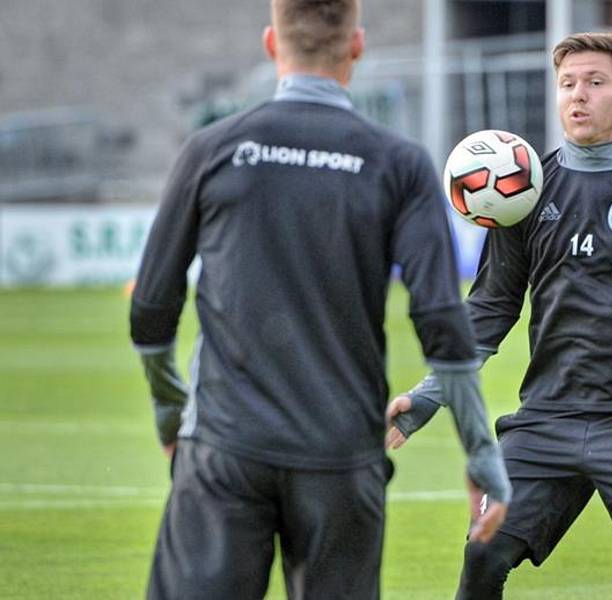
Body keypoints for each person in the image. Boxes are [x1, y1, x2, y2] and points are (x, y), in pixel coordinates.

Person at [129, 1, 511, 598]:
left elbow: (152, 304)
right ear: (356, 45)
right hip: (341, 456)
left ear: (270, 45)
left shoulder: (212, 149)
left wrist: (168, 412)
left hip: (226, 449)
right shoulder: (399, 163)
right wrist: (480, 453)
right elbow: (440, 318)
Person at [386, 32, 612, 600]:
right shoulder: (523, 191)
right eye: (567, 84)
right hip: (547, 420)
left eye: (594, 82)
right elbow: (490, 308)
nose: (577, 96)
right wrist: (427, 398)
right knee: (483, 555)